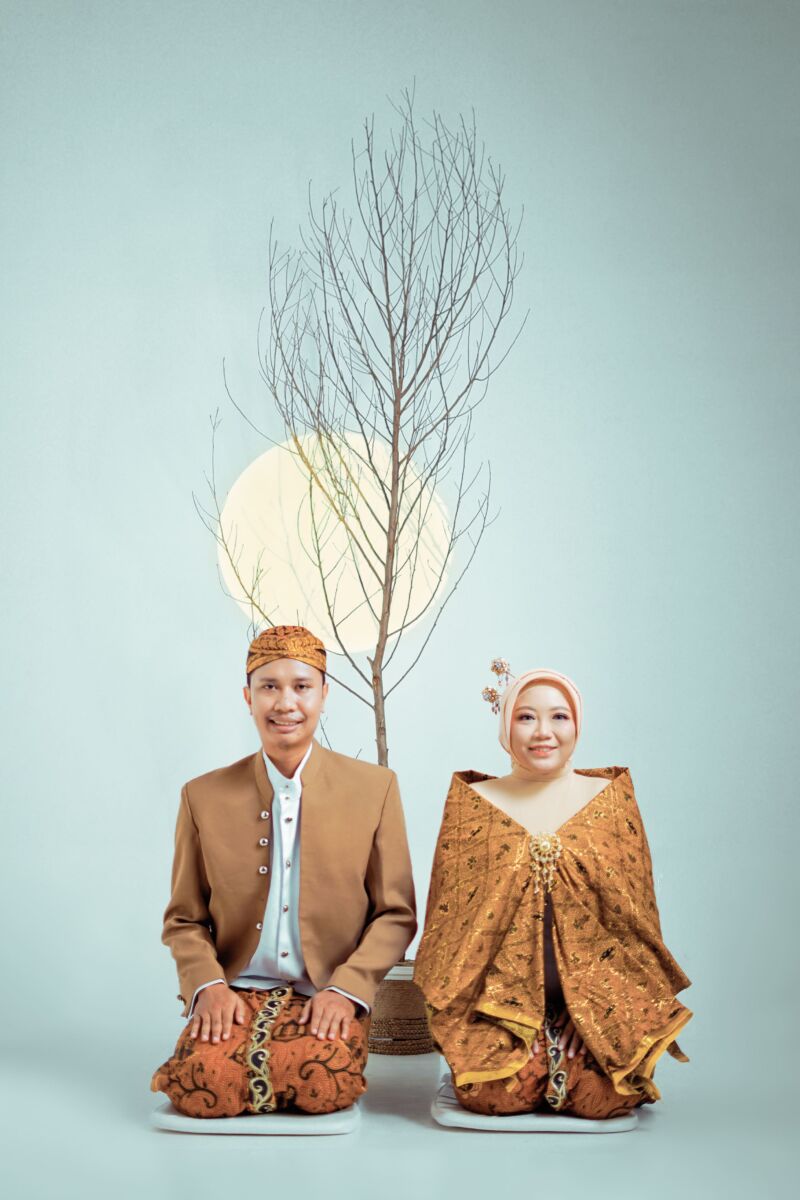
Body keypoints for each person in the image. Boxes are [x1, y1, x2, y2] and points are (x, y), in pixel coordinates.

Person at [151, 624, 417, 1117]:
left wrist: (347, 990)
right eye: (269, 686)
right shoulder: (202, 796)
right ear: (247, 697)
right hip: (234, 989)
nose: (285, 703)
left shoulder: (375, 788)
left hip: (327, 990)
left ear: (324, 695)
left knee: (325, 1084)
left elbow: (396, 914)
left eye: (302, 686)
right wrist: (207, 986)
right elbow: (184, 918)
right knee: (199, 1085)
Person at [414, 661, 692, 1119]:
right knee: (495, 1095)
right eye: (526, 717)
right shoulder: (474, 804)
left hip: (602, 997)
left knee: (602, 1097)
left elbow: (633, 922)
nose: (543, 732)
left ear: (577, 724)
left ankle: (569, 1044)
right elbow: (451, 929)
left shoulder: (609, 801)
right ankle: (532, 1047)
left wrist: (587, 1012)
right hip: (494, 1004)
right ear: (506, 726)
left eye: (559, 716)